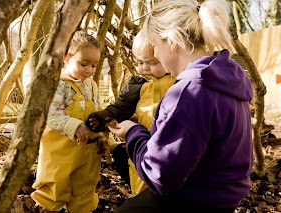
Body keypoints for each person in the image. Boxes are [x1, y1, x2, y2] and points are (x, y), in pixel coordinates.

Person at [107, 0, 254, 212]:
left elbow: (159, 176)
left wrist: (133, 131)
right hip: (223, 198)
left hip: (193, 200)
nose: (156, 54)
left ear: (173, 41)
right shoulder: (227, 80)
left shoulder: (188, 92)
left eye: (156, 45)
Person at [86, 31, 176, 196]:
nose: (144, 68)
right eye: (140, 62)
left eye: (152, 62)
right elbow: (119, 109)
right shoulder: (140, 88)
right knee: (139, 182)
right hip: (143, 148)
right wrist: (103, 117)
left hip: (167, 152)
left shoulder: (179, 84)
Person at [31, 30, 107, 213]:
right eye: (84, 64)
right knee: (54, 188)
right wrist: (74, 126)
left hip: (88, 152)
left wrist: (104, 136)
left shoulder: (92, 85)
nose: (89, 70)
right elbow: (51, 114)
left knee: (85, 189)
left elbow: (98, 113)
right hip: (60, 152)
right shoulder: (58, 84)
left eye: (94, 65)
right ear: (66, 58)